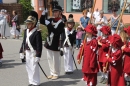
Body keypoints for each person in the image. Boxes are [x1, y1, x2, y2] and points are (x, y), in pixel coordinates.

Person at [40, 5, 65, 80]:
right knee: (49, 58)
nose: (54, 13)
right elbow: (41, 21)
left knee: (55, 60)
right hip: (49, 42)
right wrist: (43, 14)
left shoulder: (61, 23)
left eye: (56, 11)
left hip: (56, 43)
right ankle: (51, 72)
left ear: (60, 13)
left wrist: (49, 25)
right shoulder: (51, 20)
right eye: (54, 12)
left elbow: (56, 32)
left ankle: (56, 73)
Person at [19, 11, 42, 86]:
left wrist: (38, 55)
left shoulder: (37, 32)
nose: (28, 24)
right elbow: (24, 42)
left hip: (34, 52)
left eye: (29, 23)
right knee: (28, 67)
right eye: (27, 23)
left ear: (33, 24)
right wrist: (21, 51)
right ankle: (31, 81)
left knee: (34, 68)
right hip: (27, 52)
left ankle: (36, 82)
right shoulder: (26, 31)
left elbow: (39, 45)